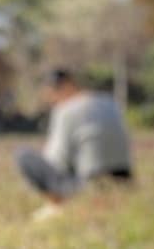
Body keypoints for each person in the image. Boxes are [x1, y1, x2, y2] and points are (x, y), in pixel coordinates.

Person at [16, 69, 133, 215]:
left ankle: (57, 207)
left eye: (51, 96)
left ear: (61, 88)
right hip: (124, 180)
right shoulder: (109, 102)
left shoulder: (65, 110)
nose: (52, 102)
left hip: (89, 184)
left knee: (23, 155)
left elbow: (57, 159)